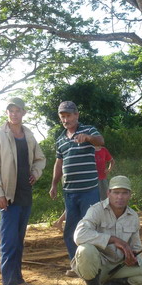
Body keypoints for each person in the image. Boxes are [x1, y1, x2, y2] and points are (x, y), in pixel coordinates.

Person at [0, 97, 46, 285]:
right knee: (9, 242)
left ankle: (19, 279)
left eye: (18, 110)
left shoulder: (28, 135)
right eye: (11, 111)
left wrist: (35, 174)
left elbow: (40, 158)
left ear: (23, 113)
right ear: (7, 113)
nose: (14, 114)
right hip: (8, 197)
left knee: (19, 241)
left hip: (24, 195)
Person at [49, 100, 104, 268]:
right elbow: (59, 164)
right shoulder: (60, 140)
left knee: (91, 228)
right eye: (62, 117)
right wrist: (54, 184)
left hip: (89, 191)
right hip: (70, 193)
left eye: (68, 116)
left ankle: (95, 264)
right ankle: (76, 264)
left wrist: (88, 138)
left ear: (76, 115)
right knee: (70, 231)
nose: (66, 120)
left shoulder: (88, 130)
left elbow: (100, 141)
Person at [52, 146, 115, 231]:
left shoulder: (103, 150)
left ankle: (106, 224)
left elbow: (112, 160)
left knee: (105, 201)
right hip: (90, 181)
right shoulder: (88, 149)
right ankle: (61, 221)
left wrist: (109, 169)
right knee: (79, 204)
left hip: (102, 179)